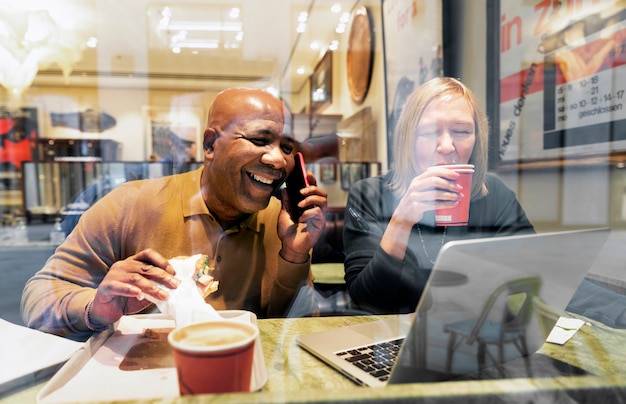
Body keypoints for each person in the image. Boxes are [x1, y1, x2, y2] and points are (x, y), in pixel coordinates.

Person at [21, 88, 328, 341]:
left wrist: (294, 257)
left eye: (286, 147)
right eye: (260, 140)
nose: (277, 159)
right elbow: (38, 297)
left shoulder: (283, 223)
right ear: (210, 144)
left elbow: (297, 333)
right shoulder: (130, 204)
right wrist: (96, 308)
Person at [343, 77, 534, 314]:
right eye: (430, 131)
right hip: (393, 336)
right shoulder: (369, 195)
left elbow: (535, 272)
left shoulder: (494, 194)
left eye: (462, 131)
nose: (446, 146)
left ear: (477, 140)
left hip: (471, 335)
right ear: (408, 139)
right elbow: (366, 300)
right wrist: (401, 221)